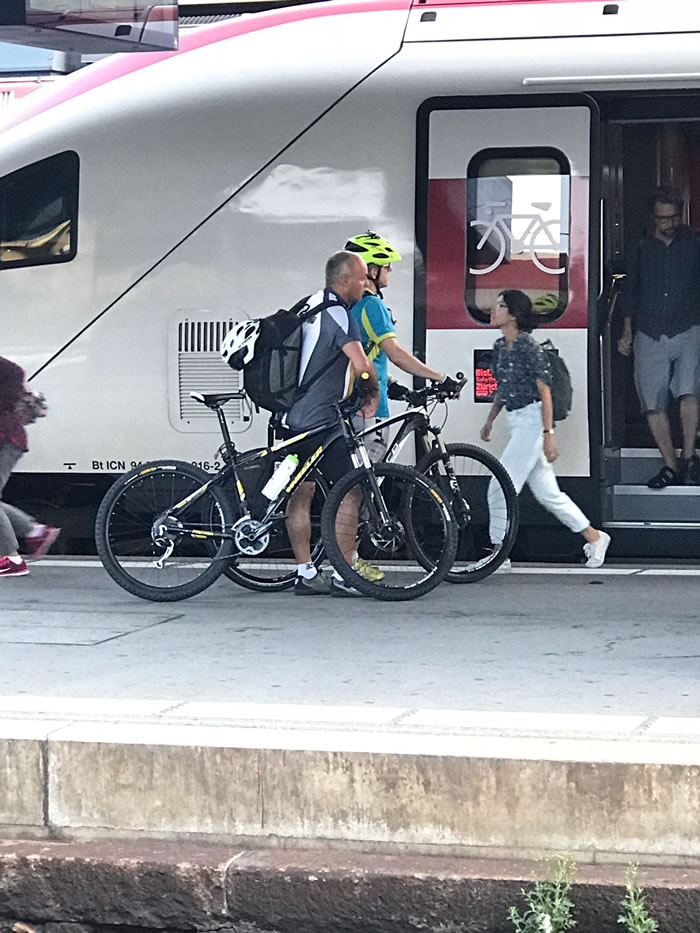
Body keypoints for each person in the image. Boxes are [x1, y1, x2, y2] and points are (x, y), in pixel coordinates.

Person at [480, 290, 611, 569]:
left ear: (514, 314)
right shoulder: (500, 346)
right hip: (517, 421)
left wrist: (548, 434)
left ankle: (498, 553)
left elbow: (545, 391)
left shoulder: (529, 347)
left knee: (499, 487)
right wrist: (491, 419)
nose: (494, 309)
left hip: (532, 422)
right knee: (549, 494)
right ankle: (595, 537)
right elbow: (504, 387)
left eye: (501, 305)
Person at [283, 250, 379, 596]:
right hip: (320, 422)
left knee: (301, 493)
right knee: (351, 489)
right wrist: (373, 391)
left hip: (290, 418)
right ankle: (344, 573)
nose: (366, 284)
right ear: (345, 280)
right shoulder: (340, 312)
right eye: (362, 278)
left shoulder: (310, 304)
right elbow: (361, 363)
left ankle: (305, 572)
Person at [343, 232, 458, 464]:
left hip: (356, 407)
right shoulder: (372, 306)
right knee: (366, 485)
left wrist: (395, 387)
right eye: (386, 265)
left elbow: (366, 356)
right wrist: (440, 377)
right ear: (371, 271)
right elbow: (395, 354)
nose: (391, 270)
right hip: (369, 411)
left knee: (360, 482)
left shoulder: (353, 307)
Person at [617, 187, 700, 488]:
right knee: (653, 401)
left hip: (689, 325)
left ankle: (690, 457)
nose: (669, 224)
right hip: (649, 329)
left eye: (674, 217)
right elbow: (632, 289)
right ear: (653, 217)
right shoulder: (639, 244)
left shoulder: (694, 241)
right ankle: (671, 465)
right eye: (663, 218)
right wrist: (627, 330)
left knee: (689, 391)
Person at [0, 355, 60, 577]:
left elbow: (16, 372)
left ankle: (11, 559)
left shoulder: (7, 371)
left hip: (7, 439)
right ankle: (35, 532)